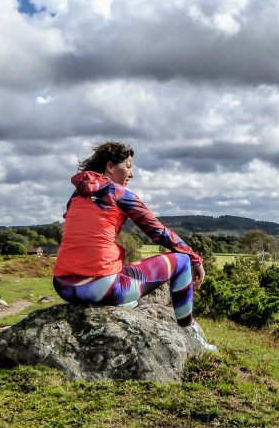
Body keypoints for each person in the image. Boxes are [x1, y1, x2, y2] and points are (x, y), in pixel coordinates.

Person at [52, 141, 216, 351]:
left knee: (125, 266)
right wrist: (195, 258)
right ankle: (190, 331)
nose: (131, 174)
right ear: (111, 167)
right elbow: (159, 232)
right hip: (101, 287)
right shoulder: (119, 193)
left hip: (63, 286)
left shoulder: (77, 195)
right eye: (128, 166)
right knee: (182, 261)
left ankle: (117, 299)